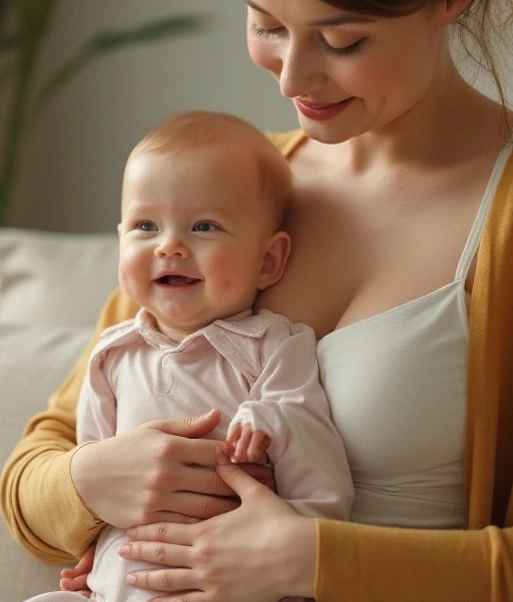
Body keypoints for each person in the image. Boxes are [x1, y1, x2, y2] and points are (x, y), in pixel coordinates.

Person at [0, 0, 513, 599]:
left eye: (343, 39)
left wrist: (314, 559)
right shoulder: (235, 188)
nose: (294, 76)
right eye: (265, 24)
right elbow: (31, 477)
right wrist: (94, 482)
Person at [25, 111, 352, 602]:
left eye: (203, 226)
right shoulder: (112, 353)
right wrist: (92, 538)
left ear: (268, 261)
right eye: (145, 225)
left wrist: (271, 423)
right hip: (119, 580)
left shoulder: (273, 346)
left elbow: (321, 479)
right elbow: (92, 464)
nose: (170, 246)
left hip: (221, 580)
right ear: (120, 242)